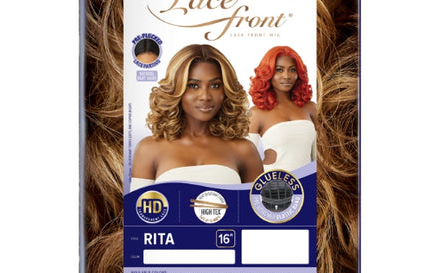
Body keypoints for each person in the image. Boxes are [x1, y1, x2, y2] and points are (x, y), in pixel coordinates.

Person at [131, 44, 263, 189]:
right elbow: (139, 203)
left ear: (226, 90)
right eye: (193, 86)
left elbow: (256, 203)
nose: (205, 96)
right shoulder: (148, 149)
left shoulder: (244, 150)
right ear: (176, 89)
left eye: (215, 85)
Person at [248, 46, 317, 172]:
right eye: (279, 70)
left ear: (298, 74)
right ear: (267, 73)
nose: (286, 76)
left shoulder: (310, 108)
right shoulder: (256, 113)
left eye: (292, 70)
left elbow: (319, 157)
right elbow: (246, 161)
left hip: (305, 180)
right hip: (271, 180)